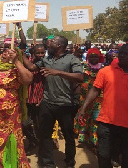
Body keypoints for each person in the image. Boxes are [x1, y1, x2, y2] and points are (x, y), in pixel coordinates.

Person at [23, 35, 83, 168]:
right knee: (45, 136)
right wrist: (21, 55)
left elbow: (79, 77)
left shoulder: (71, 59)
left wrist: (57, 72)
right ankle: (47, 163)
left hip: (66, 104)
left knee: (68, 136)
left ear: (59, 45)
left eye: (52, 41)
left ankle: (69, 161)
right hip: (47, 103)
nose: (48, 43)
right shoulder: (46, 59)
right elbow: (32, 68)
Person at [77, 44, 128, 168]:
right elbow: (95, 90)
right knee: (103, 155)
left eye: (126, 54)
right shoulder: (105, 71)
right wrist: (83, 109)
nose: (122, 56)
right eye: (121, 53)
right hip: (106, 122)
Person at [74, 48, 104, 151]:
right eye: (91, 56)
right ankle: (84, 138)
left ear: (99, 57)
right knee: (85, 117)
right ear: (88, 57)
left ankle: (94, 141)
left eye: (96, 56)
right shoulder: (83, 68)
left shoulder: (103, 69)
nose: (94, 58)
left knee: (95, 120)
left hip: (99, 99)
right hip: (84, 97)